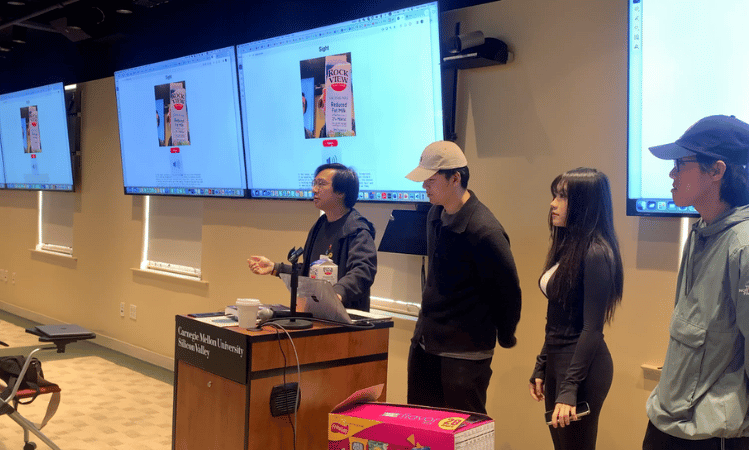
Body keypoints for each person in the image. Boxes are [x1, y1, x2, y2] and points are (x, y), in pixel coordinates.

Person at [643, 115, 749, 450]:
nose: (671, 174)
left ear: (716, 170)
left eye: (679, 164)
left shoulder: (748, 246)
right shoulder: (702, 232)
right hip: (670, 421)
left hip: (713, 436)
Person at [404, 140, 522, 414]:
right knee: (420, 430)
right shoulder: (435, 215)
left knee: (464, 435)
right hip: (426, 344)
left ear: (455, 178)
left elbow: (507, 291)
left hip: (464, 354)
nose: (424, 187)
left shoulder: (484, 230)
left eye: (430, 180)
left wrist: (506, 335)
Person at [529, 168, 623, 450]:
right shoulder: (567, 245)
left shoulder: (596, 252)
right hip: (560, 360)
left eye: (562, 196)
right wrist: (542, 363)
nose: (553, 204)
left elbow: (591, 329)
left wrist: (569, 389)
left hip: (583, 368)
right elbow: (558, 318)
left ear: (585, 203)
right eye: (555, 195)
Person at [247, 163, 377, 312]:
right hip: (316, 312)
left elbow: (363, 271)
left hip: (346, 318)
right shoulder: (320, 226)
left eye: (321, 184)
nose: (314, 189)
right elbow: (309, 272)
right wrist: (274, 268)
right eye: (314, 184)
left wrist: (336, 293)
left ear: (341, 192)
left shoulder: (357, 230)